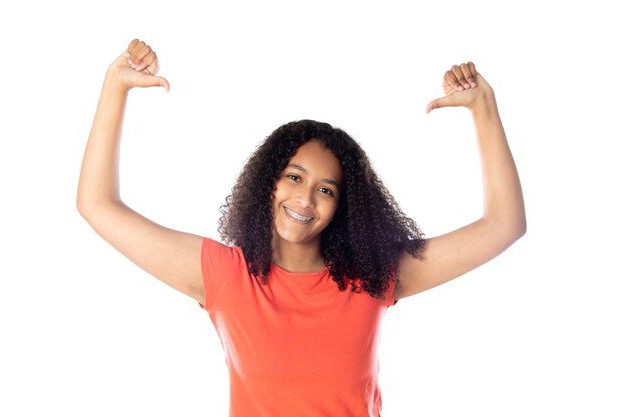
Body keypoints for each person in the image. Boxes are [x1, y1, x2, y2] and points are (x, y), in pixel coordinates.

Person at [77, 39, 526, 417]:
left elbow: (504, 225)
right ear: (269, 183)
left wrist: (482, 107)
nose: (305, 200)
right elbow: (97, 205)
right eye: (294, 177)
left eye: (326, 190)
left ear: (342, 206)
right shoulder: (224, 275)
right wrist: (115, 86)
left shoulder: (372, 277)